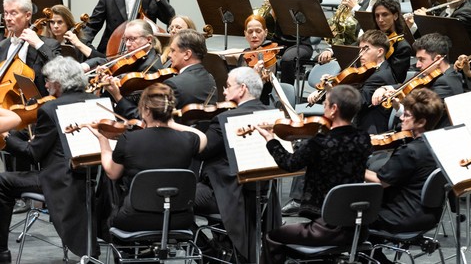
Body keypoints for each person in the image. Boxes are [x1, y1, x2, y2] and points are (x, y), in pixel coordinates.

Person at [256, 85, 371, 264]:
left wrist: (271, 140)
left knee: (273, 236)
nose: (323, 108)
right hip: (357, 227)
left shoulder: (320, 143)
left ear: (334, 109)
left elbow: (289, 163)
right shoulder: (364, 138)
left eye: (325, 104)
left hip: (326, 229)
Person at [0, 56, 99, 262]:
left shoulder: (50, 108)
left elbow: (32, 154)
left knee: (3, 181)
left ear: (59, 82)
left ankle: (2, 251)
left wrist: (6, 137)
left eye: (47, 81)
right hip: (90, 178)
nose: (44, 85)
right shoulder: (95, 100)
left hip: (60, 180)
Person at [87, 83, 207, 232]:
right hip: (179, 218)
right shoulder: (188, 140)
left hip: (135, 217)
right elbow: (202, 137)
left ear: (147, 110)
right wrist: (171, 122)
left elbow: (112, 172)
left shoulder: (129, 139)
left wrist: (102, 139)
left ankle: (129, 252)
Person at [194, 67, 280, 262]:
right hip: (262, 194)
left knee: (174, 200)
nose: (223, 92)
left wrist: (191, 130)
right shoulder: (272, 115)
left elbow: (202, 151)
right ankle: (221, 244)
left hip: (228, 193)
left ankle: (208, 251)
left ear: (242, 89)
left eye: (227, 86)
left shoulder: (225, 119)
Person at [365, 87, 444, 264]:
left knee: (351, 215)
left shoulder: (410, 151)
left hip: (401, 218)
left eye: (407, 115)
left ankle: (370, 258)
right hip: (429, 215)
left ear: (421, 121)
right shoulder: (438, 144)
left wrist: (354, 166)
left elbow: (381, 182)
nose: (401, 118)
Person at [105, 28, 217, 119]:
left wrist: (118, 96)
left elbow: (145, 118)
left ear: (187, 54)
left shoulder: (173, 84)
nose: (169, 55)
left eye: (173, 51)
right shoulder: (210, 79)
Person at [308, 30, 397, 134]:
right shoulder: (368, 70)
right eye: (360, 49)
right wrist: (322, 92)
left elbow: (357, 102)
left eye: (365, 49)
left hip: (368, 129)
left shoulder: (381, 76)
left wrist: (331, 91)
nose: (360, 54)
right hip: (356, 122)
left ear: (380, 52)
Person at [372, 33, 463, 128]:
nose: (417, 65)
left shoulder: (446, 84)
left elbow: (420, 118)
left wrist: (398, 108)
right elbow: (409, 85)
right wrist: (384, 88)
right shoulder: (431, 74)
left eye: (421, 59)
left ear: (438, 59)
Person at [319, 0, 412, 84]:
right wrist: (330, 51)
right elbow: (351, 47)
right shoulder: (372, 37)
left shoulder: (402, 47)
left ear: (395, 16)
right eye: (377, 16)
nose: (380, 20)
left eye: (385, 15)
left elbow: (395, 79)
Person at [0, 0, 60, 98]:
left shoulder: (48, 45)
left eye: (13, 13)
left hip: (39, 106)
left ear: (27, 15)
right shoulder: (2, 46)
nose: (8, 18)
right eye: (6, 13)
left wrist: (38, 45)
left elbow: (60, 71)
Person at [268, 0, 314, 85]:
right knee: (253, 54)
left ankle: (286, 97)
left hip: (300, 44)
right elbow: (270, 25)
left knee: (287, 60)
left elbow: (312, 26)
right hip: (278, 41)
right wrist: (271, 9)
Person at [41, 4, 106, 71]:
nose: (55, 26)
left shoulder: (80, 42)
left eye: (60, 22)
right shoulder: (43, 43)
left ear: (68, 23)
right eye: (52, 22)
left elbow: (103, 60)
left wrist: (78, 44)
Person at [239, 14, 276, 104]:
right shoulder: (244, 54)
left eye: (258, 31)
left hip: (261, 104)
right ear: (245, 34)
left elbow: (257, 90)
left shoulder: (269, 56)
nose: (254, 35)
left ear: (266, 32)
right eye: (250, 32)